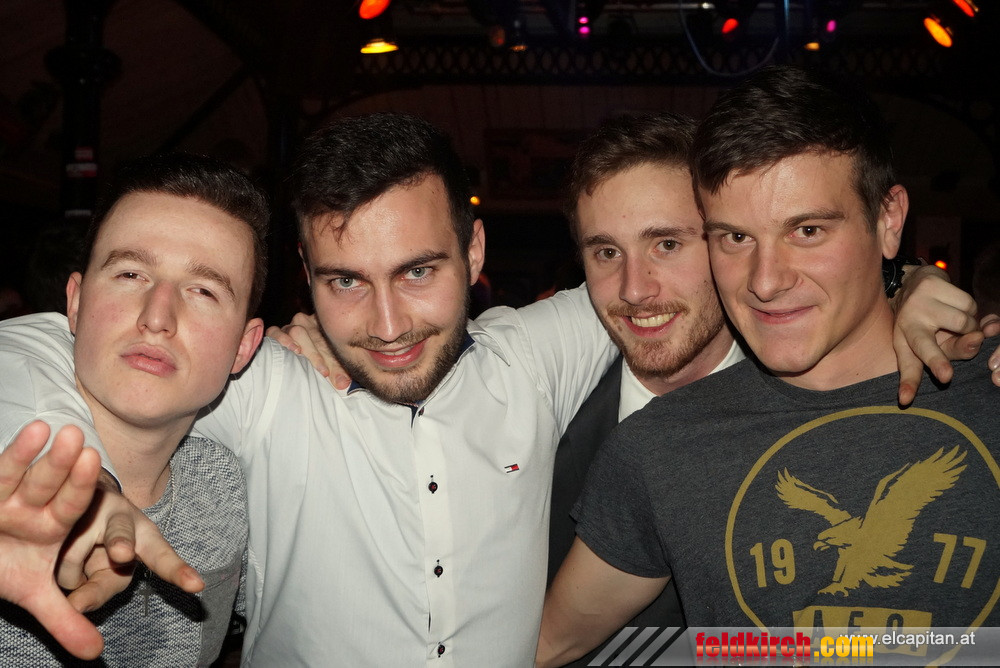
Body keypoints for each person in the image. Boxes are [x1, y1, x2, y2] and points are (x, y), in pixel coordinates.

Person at [0, 112, 991, 666]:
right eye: (345, 281)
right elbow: (46, 340)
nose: (387, 322)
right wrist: (66, 462)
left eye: (418, 271)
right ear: (303, 281)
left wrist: (900, 288)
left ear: (475, 252)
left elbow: (704, 282)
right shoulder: (262, 380)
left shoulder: (536, 350)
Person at [538, 66, 1000, 667]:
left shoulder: (989, 388)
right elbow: (544, 646)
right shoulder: (660, 447)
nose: (765, 281)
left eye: (807, 230)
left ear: (888, 220)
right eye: (735, 238)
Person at [0, 153, 266, 664]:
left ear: (244, 347)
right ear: (74, 303)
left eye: (203, 290)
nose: (157, 316)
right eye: (130, 273)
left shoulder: (231, 492)